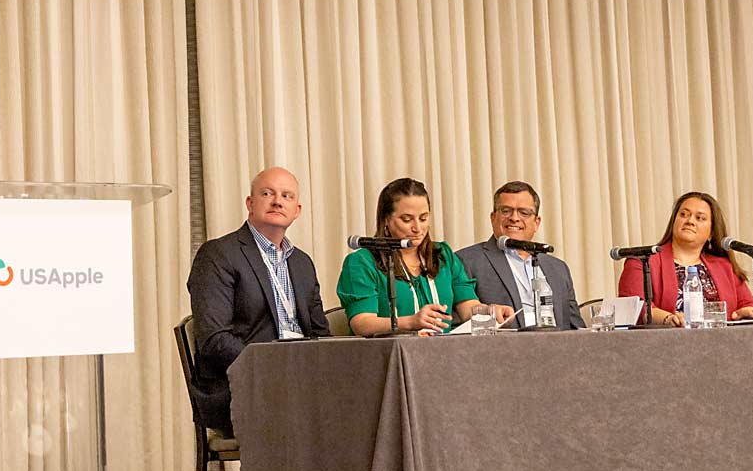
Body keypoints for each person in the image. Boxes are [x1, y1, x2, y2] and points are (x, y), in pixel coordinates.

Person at [187, 167, 331, 436]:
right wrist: (274, 368)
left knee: (360, 401)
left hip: (301, 379)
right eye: (267, 193)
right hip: (243, 383)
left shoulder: (301, 262)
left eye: (287, 196)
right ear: (250, 203)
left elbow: (320, 333)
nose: (278, 201)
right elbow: (214, 339)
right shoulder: (218, 254)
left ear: (297, 210)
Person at [337, 178, 514, 336]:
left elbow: (467, 306)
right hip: (388, 357)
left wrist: (490, 311)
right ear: (386, 220)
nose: (417, 228)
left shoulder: (443, 254)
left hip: (442, 354)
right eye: (407, 220)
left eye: (423, 218)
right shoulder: (361, 262)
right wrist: (411, 322)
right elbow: (361, 323)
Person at [457, 181, 584, 329]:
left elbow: (577, 327)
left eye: (524, 213)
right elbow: (459, 326)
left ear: (537, 222)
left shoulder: (558, 268)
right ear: (492, 218)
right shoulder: (467, 261)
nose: (514, 218)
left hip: (557, 348)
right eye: (506, 211)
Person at [618, 191, 753, 326]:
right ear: (674, 222)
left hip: (721, 344)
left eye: (700, 218)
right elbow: (635, 308)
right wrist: (668, 319)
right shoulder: (641, 262)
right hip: (664, 344)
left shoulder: (724, 266)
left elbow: (747, 304)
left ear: (711, 233)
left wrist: (744, 312)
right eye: (684, 214)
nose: (690, 221)